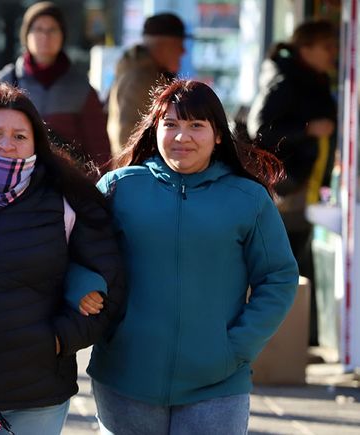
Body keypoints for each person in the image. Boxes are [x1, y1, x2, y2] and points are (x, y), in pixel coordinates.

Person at [87, 79, 299, 434]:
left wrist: (236, 348)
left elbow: (277, 277)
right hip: (124, 376)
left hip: (218, 382)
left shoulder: (248, 198)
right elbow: (82, 255)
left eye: (196, 126)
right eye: (170, 125)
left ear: (218, 135)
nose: (181, 137)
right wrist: (89, 294)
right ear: (155, 130)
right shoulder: (118, 188)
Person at [0, 83, 126, 434]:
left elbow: (110, 283)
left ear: (36, 142)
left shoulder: (65, 198)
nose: (6, 144)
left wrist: (58, 340)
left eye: (19, 136)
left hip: (37, 390)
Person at [246, 20, 337, 345]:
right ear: (306, 48)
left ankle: (296, 339)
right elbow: (261, 130)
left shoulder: (314, 79)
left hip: (308, 186)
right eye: (327, 46)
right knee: (286, 265)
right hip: (288, 188)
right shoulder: (285, 80)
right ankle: (286, 340)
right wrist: (307, 130)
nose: (334, 53)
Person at [0, 2, 111, 171]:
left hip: (65, 183)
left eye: (52, 30)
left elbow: (99, 149)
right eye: (38, 29)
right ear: (26, 35)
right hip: (14, 179)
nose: (45, 36)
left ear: (63, 35)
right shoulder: (5, 83)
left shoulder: (80, 88)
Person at [107, 12, 189, 156]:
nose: (183, 51)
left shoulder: (142, 73)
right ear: (163, 45)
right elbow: (126, 135)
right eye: (179, 44)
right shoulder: (140, 79)